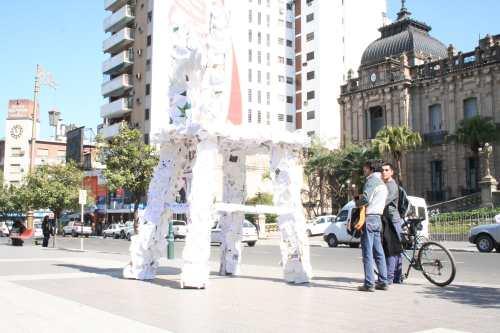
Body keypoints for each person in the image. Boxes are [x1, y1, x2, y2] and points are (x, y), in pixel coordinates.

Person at [355, 161, 389, 292]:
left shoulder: (371, 182)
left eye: (364, 168)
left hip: (369, 218)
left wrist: (356, 196)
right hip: (378, 219)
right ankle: (383, 281)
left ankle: (369, 283)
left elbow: (364, 200)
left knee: (367, 252)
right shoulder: (383, 185)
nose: (363, 171)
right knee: (379, 252)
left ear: (369, 169)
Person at [381, 163, 404, 284]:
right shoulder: (386, 185)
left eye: (386, 170)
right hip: (390, 219)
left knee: (391, 249)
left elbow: (384, 201)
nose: (384, 172)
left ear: (392, 172)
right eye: (382, 170)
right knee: (396, 249)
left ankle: (390, 277)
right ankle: (397, 277)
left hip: (392, 220)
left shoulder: (392, 186)